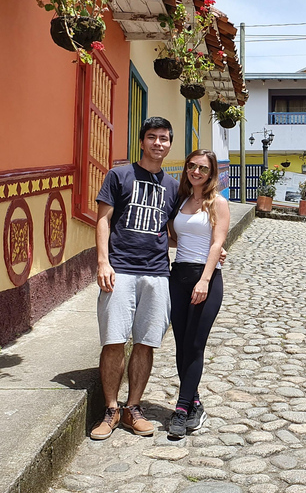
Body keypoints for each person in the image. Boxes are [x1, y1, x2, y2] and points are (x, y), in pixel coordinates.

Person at [91, 117, 181, 440]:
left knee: (145, 342)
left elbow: (173, 231)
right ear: (142, 141)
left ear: (170, 144)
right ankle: (111, 409)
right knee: (114, 340)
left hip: (157, 273)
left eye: (164, 138)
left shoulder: (172, 187)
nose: (158, 143)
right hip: (121, 269)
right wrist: (103, 262)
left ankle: (133, 408)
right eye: (152, 137)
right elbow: (103, 220)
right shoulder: (119, 175)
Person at [166, 149, 230, 439]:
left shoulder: (218, 202)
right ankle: (195, 403)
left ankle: (181, 409)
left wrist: (204, 280)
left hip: (205, 279)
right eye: (192, 166)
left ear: (211, 172)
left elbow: (217, 243)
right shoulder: (180, 201)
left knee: (195, 344)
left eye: (202, 168)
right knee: (181, 343)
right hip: (178, 275)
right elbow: (175, 236)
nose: (196, 172)